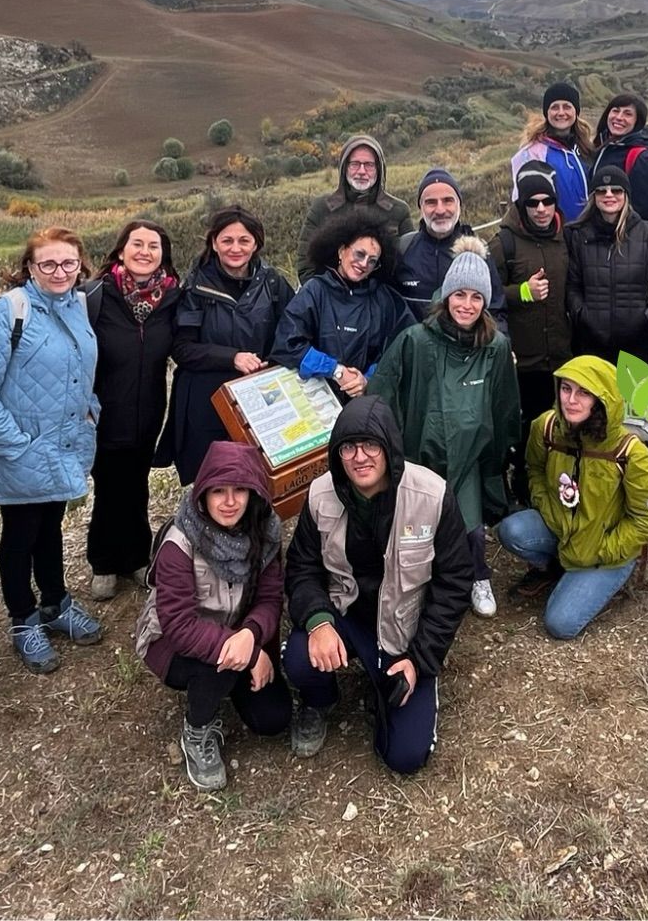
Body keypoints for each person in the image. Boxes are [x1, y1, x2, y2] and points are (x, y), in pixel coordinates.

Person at [281, 397, 473, 775]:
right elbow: (302, 567)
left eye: (371, 445)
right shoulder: (321, 495)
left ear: (390, 447)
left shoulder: (432, 495)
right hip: (347, 615)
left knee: (404, 757)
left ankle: (387, 684)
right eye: (348, 447)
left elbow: (454, 584)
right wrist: (319, 622)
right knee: (299, 658)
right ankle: (321, 699)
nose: (359, 457)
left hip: (405, 631)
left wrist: (420, 660)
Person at [0, 227, 105, 673]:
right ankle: (23, 619)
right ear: (30, 267)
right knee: (20, 534)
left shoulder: (79, 305)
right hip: (22, 449)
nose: (59, 271)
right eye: (48, 264)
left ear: (80, 265)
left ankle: (56, 603)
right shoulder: (8, 311)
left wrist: (91, 413)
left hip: (65, 444)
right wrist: (16, 445)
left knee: (50, 527)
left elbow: (82, 374)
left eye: (68, 263)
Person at [366, 236, 522, 619]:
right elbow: (383, 390)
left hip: (470, 454)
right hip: (422, 451)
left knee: (471, 525)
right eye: (459, 295)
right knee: (419, 523)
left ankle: (477, 576)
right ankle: (419, 582)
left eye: (475, 297)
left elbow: (504, 405)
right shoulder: (417, 340)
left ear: (485, 302)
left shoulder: (496, 346)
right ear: (446, 295)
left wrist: (502, 453)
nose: (466, 305)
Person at [134, 440, 291, 793]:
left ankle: (233, 677)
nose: (230, 501)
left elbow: (269, 598)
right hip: (173, 644)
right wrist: (250, 654)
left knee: (273, 719)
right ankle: (197, 729)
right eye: (219, 491)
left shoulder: (264, 533)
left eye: (240, 490)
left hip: (238, 632)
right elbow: (177, 624)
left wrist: (251, 633)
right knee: (217, 670)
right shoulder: (179, 543)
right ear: (203, 493)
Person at [495, 355, 648, 638]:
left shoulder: (629, 452)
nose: (571, 400)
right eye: (566, 389)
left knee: (560, 624)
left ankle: (595, 576)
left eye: (584, 392)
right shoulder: (546, 427)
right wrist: (547, 508)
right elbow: (534, 469)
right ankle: (557, 565)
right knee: (512, 530)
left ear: (602, 399)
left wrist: (606, 549)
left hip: (606, 550)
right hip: (563, 529)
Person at [162, 206, 295, 486]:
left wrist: (272, 363)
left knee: (256, 480)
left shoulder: (273, 283)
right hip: (206, 401)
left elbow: (292, 335)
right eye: (227, 240)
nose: (236, 248)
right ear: (214, 243)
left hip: (259, 399)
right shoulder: (195, 288)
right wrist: (232, 358)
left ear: (256, 243)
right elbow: (182, 349)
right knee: (213, 482)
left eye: (244, 240)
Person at [85, 221, 181, 600]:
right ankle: (104, 562)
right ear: (121, 250)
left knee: (136, 482)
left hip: (149, 408)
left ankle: (138, 557)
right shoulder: (95, 295)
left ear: (163, 254)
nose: (144, 251)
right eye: (136, 243)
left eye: (153, 245)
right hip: (103, 411)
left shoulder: (171, 298)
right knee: (109, 485)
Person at [564, 164, 648, 471]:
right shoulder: (578, 235)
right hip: (591, 341)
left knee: (637, 421)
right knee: (592, 414)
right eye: (602, 190)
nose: (609, 195)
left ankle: (637, 478)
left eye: (616, 190)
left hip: (636, 343)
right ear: (593, 196)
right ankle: (592, 475)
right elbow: (572, 286)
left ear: (626, 195)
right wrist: (582, 314)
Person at [271, 208, 415, 398]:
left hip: (365, 403)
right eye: (359, 254)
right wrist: (335, 370)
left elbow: (404, 346)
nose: (363, 264)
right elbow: (286, 344)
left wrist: (369, 378)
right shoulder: (315, 291)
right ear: (341, 251)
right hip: (318, 400)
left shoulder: (384, 299)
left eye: (372, 261)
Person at [494, 160, 573, 427]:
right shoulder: (503, 243)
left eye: (547, 201)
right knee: (527, 431)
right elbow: (484, 298)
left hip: (564, 357)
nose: (541, 209)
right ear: (521, 204)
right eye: (532, 202)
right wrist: (523, 292)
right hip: (524, 363)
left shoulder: (568, 238)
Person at [394, 168, 506, 326]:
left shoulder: (477, 252)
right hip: (411, 349)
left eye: (448, 200)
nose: (440, 210)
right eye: (431, 202)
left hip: (464, 350)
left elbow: (495, 311)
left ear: (459, 204)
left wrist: (497, 348)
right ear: (420, 207)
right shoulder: (403, 250)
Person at [297, 135, 412, 279]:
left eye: (369, 165)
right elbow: (305, 266)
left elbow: (409, 266)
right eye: (355, 164)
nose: (362, 171)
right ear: (344, 168)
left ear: (379, 169)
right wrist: (326, 296)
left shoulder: (398, 211)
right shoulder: (322, 208)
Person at [510, 80, 593, 222]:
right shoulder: (532, 153)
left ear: (576, 111)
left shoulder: (586, 147)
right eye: (555, 107)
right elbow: (520, 199)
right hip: (554, 235)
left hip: (588, 232)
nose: (561, 113)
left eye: (567, 107)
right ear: (546, 112)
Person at [589, 93, 648, 220]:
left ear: (638, 121)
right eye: (615, 111)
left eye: (628, 114)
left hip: (624, 236)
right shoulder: (605, 147)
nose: (619, 117)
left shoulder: (642, 158)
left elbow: (643, 211)